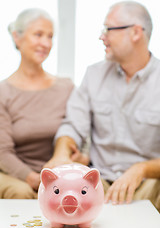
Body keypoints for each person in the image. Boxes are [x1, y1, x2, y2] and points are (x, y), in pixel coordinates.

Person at [44, 1, 160, 212]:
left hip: (150, 183)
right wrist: (61, 152)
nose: (101, 36)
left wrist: (141, 169)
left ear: (135, 32)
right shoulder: (94, 74)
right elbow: (72, 125)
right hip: (98, 183)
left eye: (108, 29)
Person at [0, 8, 88, 199]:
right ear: (17, 37)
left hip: (61, 175)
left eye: (50, 37)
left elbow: (81, 130)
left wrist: (82, 157)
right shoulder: (3, 92)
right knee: (21, 192)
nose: (46, 43)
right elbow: (3, 152)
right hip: (15, 175)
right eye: (38, 35)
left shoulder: (66, 87)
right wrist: (37, 180)